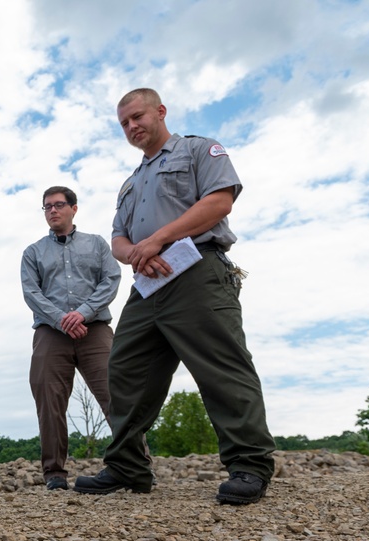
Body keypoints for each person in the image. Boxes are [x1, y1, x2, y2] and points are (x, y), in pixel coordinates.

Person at [73, 88, 276, 504]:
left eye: (138, 117)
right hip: (148, 284)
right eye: (124, 123)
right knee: (125, 369)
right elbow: (118, 237)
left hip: (197, 270)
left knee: (221, 366)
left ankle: (249, 465)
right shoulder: (131, 183)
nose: (132, 126)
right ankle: (128, 466)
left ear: (160, 111)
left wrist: (159, 240)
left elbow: (220, 201)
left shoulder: (199, 150)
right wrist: (134, 253)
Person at [21, 186, 122, 491]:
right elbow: (31, 292)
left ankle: (134, 463)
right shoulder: (33, 252)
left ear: (74, 208)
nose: (52, 211)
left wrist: (84, 312)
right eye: (47, 207)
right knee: (49, 401)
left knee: (117, 394)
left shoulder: (97, 244)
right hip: (51, 333)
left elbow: (111, 279)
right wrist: (62, 319)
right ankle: (54, 473)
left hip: (95, 331)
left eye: (58, 205)